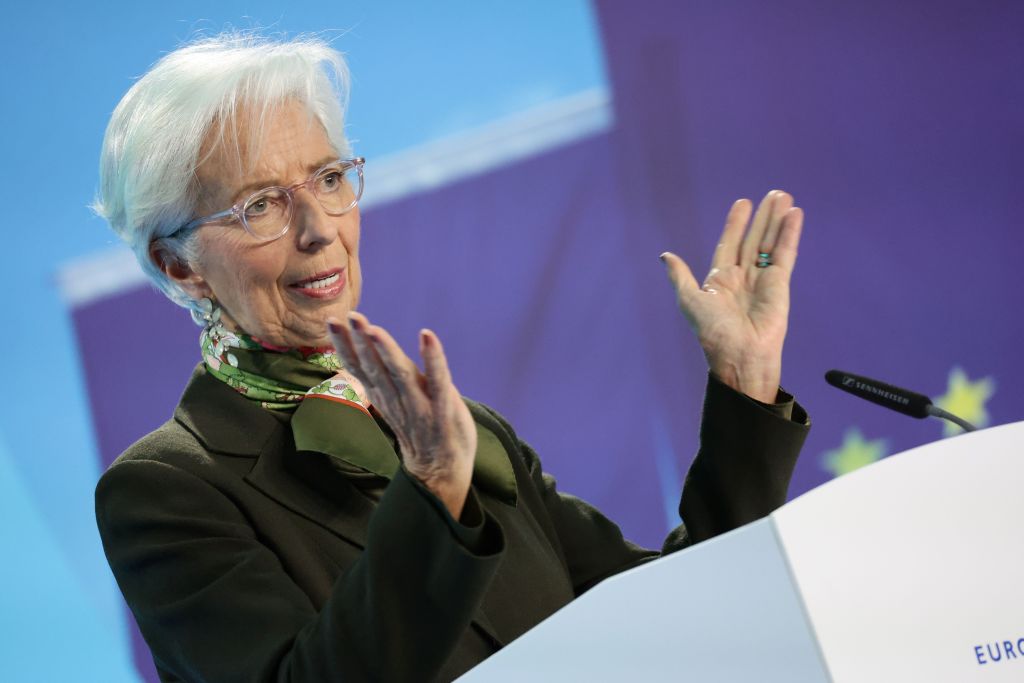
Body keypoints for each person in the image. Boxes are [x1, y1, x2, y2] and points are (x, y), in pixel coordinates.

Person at [94, 33, 809, 683]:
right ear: (179, 265)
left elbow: (670, 614)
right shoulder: (167, 489)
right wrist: (433, 491)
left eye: (329, 178)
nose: (319, 229)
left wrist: (743, 384)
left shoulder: (466, 429)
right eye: (260, 206)